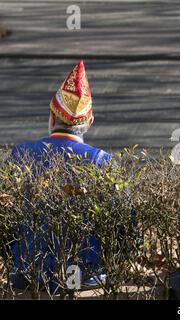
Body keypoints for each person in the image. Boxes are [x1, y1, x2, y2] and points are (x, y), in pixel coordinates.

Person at [9, 60, 111, 292]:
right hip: (88, 275)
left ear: (52, 117)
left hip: (27, 273)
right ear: (90, 122)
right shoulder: (101, 161)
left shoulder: (19, 154)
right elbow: (126, 222)